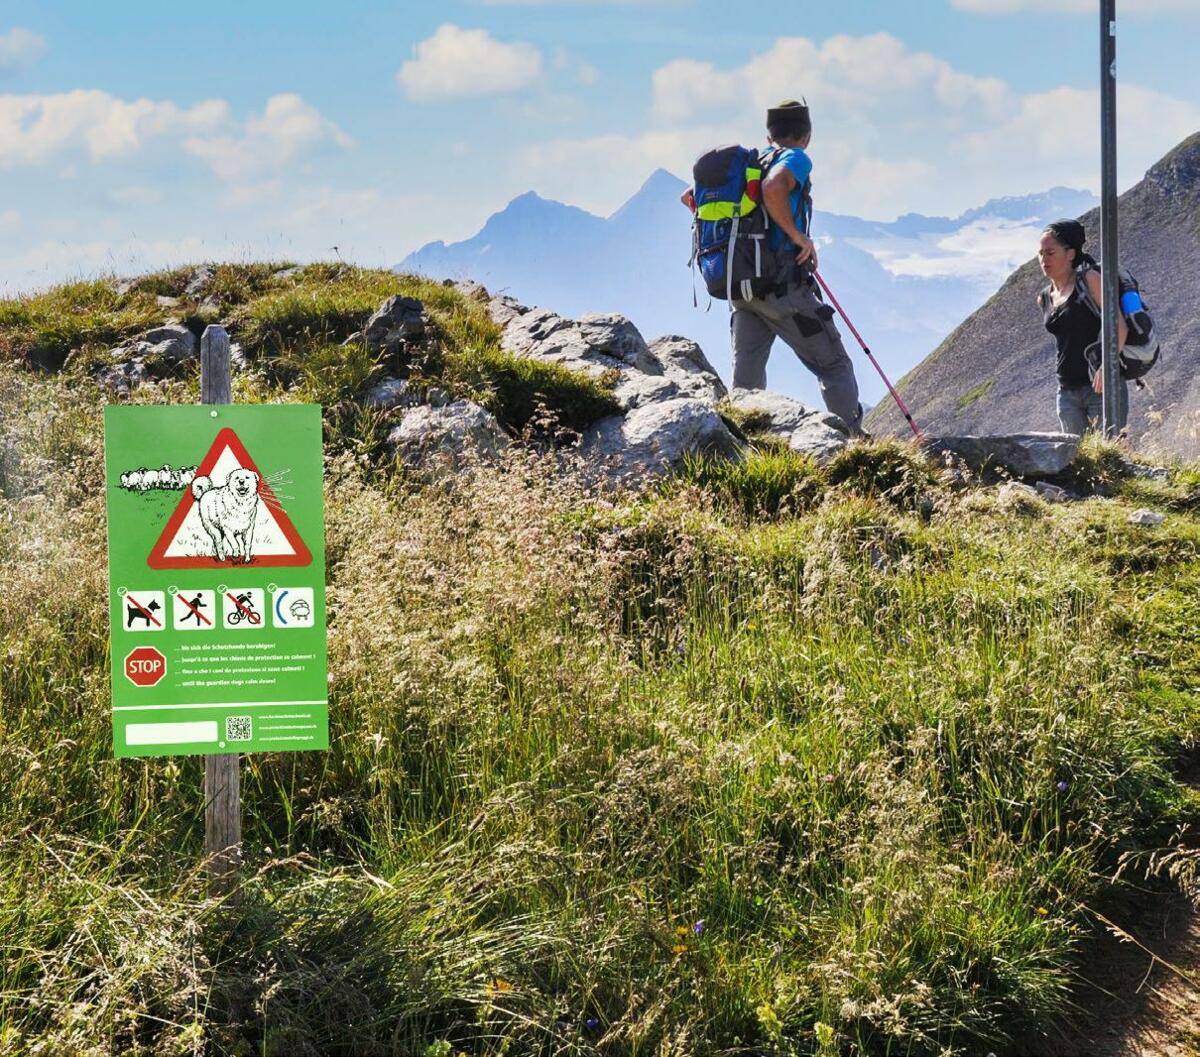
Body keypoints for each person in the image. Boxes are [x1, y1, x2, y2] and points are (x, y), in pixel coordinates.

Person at [682, 100, 864, 434]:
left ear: (769, 134)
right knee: (834, 365)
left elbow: (689, 198)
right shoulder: (794, 158)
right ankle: (853, 443)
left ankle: (741, 442)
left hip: (741, 289)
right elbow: (774, 187)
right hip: (783, 290)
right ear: (806, 135)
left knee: (747, 380)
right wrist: (799, 238)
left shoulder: (748, 165)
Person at [1037, 220, 1128, 435]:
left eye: (1050, 252)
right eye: (1040, 253)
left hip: (1101, 387)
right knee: (1077, 461)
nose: (1043, 259)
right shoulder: (1044, 297)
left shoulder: (1090, 281)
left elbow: (1119, 326)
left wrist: (1107, 366)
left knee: (1110, 457)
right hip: (1066, 393)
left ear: (1070, 253)